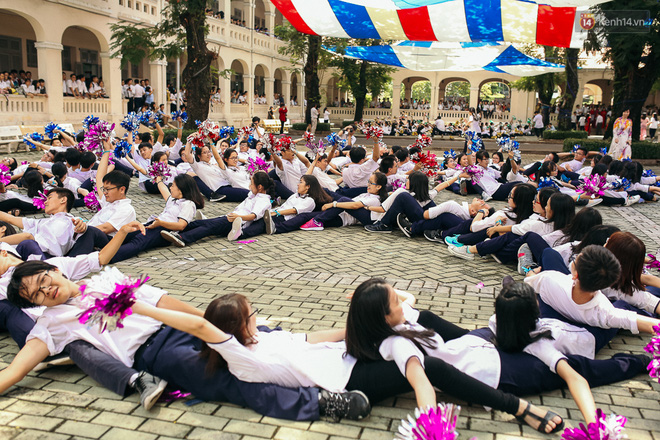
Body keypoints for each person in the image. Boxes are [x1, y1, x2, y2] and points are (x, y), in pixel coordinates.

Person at [344, 279, 565, 434]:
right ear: (383, 317)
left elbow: (409, 298)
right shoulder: (396, 343)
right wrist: (431, 430)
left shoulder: (397, 320)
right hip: (488, 372)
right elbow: (423, 386)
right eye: (394, 302)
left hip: (472, 346)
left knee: (428, 316)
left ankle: (573, 311)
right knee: (572, 366)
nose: (401, 304)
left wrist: (369, 297)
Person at [160, 171, 274, 247]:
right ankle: (176, 230)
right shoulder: (253, 196)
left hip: (236, 222)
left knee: (209, 228)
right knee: (200, 223)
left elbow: (253, 216)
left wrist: (238, 217)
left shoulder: (263, 200)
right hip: (230, 217)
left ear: (260, 187)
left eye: (252, 183)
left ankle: (183, 238)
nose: (249, 186)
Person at [109, 174, 204, 263]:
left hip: (164, 231)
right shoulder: (173, 200)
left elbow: (181, 226)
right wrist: (158, 180)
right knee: (126, 234)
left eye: (173, 186)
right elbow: (163, 190)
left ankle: (109, 257)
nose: (170, 188)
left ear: (180, 189)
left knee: (138, 241)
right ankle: (103, 249)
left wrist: (161, 223)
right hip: (154, 224)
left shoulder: (188, 204)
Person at [67, 147, 137, 257]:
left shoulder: (126, 209)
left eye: (108, 189)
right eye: (104, 189)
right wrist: (106, 150)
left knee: (90, 231)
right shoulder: (108, 201)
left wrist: (83, 229)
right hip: (91, 232)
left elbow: (106, 228)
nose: (104, 192)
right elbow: (99, 177)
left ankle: (73, 260)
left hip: (107, 241)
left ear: (122, 189)